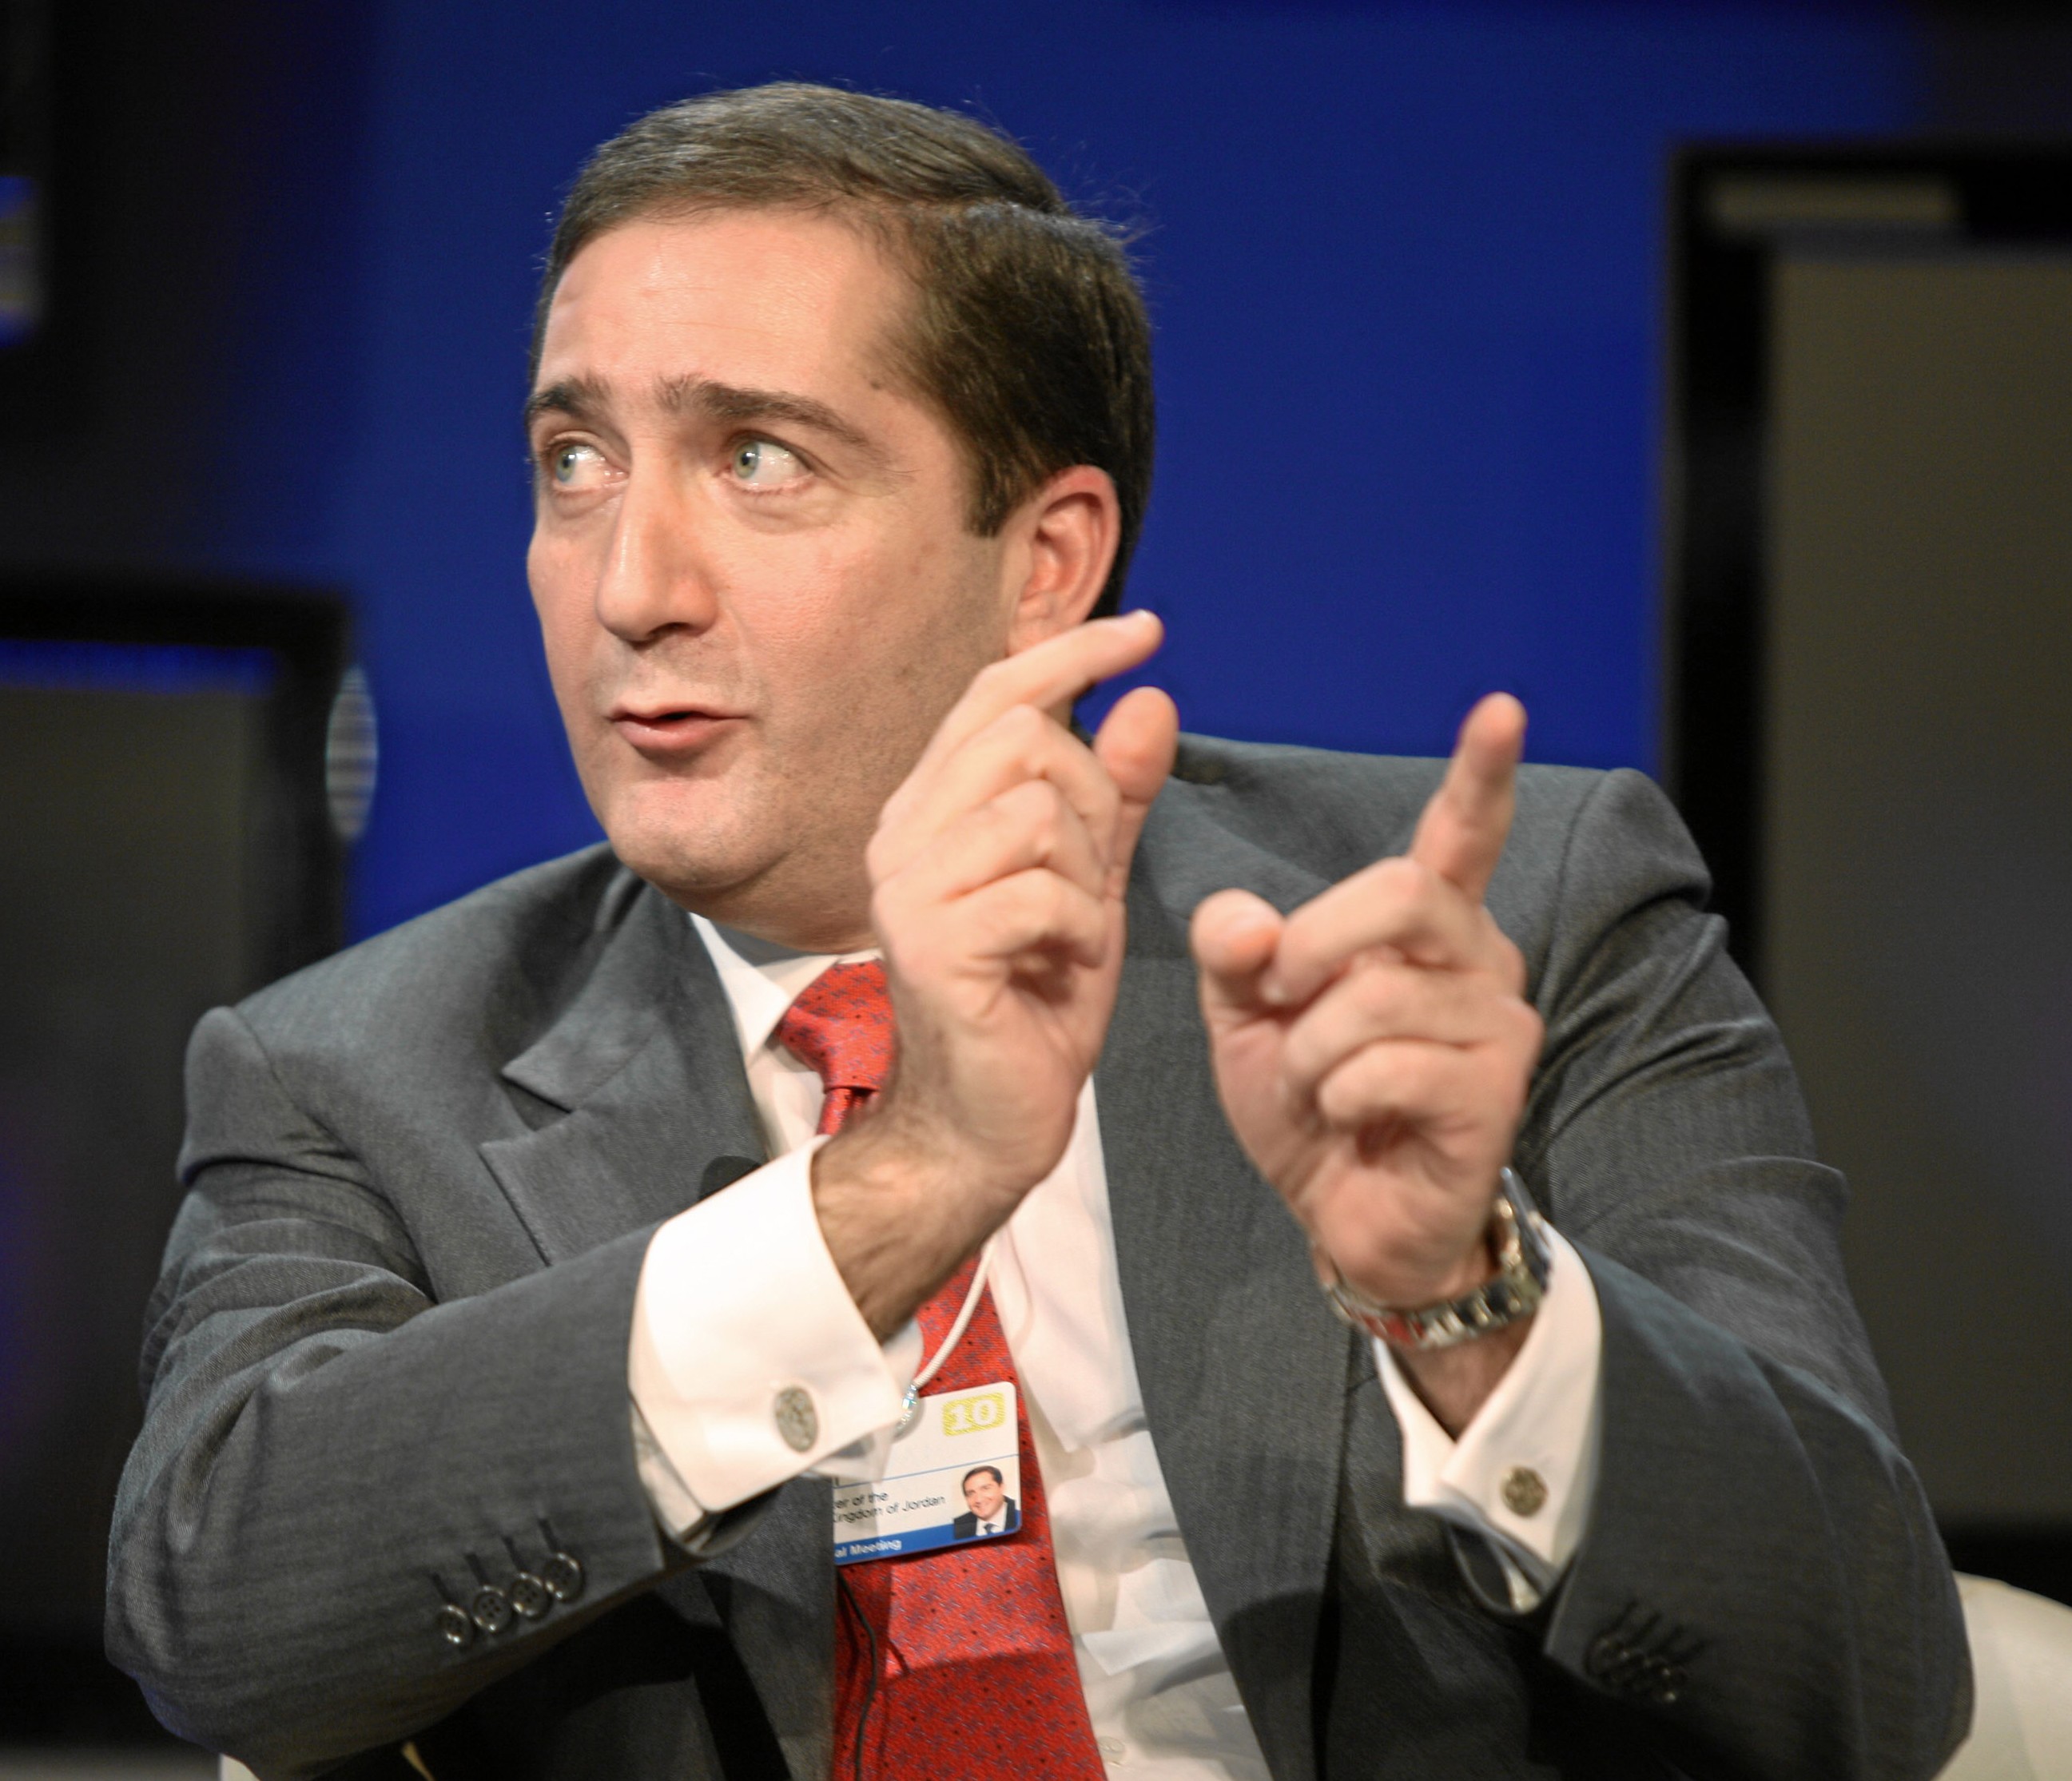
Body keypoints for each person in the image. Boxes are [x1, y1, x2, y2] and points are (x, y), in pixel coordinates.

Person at [107, 83, 1968, 1781]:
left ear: (1045, 561)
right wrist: (898, 1181)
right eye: (574, 458)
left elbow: (1874, 1675)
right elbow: (215, 1621)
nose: (631, 587)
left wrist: (1465, 1302)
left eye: (757, 457)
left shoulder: (1492, 925)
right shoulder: (355, 1072)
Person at [952, 1468, 1019, 1541]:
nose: (979, 1500)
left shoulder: (1021, 1513)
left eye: (985, 1488)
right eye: (971, 1493)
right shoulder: (956, 1527)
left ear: (1001, 1488)